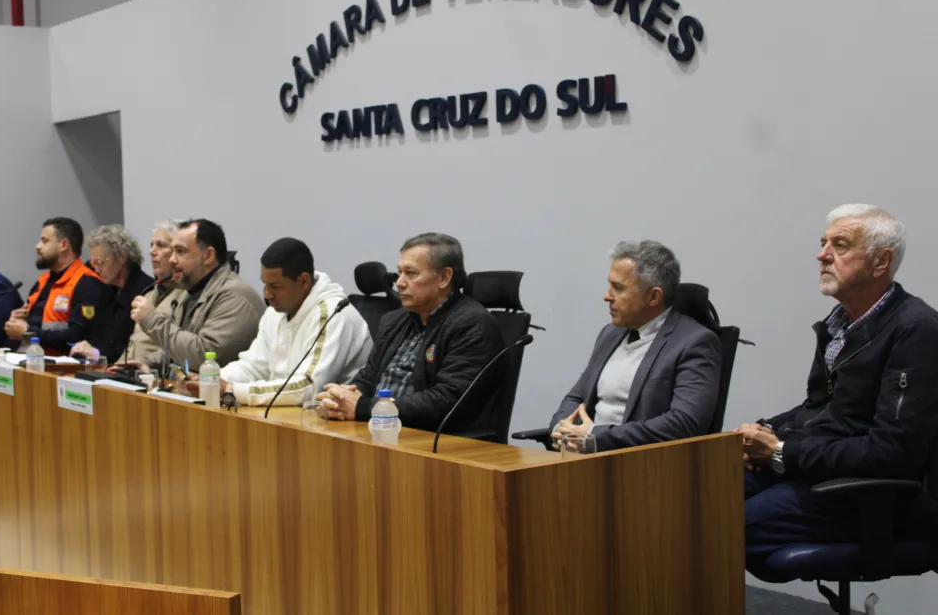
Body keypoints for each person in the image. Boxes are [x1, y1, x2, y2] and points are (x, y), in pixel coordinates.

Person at [738, 204, 938, 568]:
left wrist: (781, 452)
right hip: (813, 471)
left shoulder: (916, 330)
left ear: (881, 262)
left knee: (717, 527)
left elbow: (892, 453)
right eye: (823, 243)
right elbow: (820, 409)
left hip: (860, 496)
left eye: (840, 245)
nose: (822, 255)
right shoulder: (840, 325)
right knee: (690, 498)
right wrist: (764, 431)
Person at [317, 233, 505, 432]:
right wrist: (340, 400)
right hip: (381, 430)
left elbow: (446, 400)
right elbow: (367, 378)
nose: (399, 282)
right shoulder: (394, 321)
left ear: (444, 278)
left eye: (411, 273)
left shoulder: (473, 324)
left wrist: (364, 407)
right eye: (399, 272)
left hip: (434, 438)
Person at [548, 241, 722, 452]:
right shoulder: (610, 334)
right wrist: (561, 429)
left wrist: (595, 436)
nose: (606, 296)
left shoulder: (695, 343)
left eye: (618, 288)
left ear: (653, 296)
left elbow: (684, 423)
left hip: (643, 464)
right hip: (586, 459)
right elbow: (576, 397)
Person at [185, 238, 373, 405]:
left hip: (333, 421)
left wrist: (232, 390)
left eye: (275, 286)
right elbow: (253, 366)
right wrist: (210, 380)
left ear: (304, 281)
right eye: (265, 285)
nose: (267, 294)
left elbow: (308, 387)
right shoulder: (275, 312)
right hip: (289, 415)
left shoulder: (333, 314)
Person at [131, 218, 264, 371]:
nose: (172, 259)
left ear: (208, 255)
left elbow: (205, 356)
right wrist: (148, 362)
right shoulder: (195, 290)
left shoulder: (235, 296)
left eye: (180, 251)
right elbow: (180, 350)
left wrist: (152, 320)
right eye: (172, 251)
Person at [4, 217, 106, 354]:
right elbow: (31, 327)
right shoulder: (42, 283)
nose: (37, 246)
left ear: (64, 245)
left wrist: (27, 332)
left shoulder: (87, 283)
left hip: (63, 363)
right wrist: (17, 323)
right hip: (31, 358)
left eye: (44, 241)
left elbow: (78, 336)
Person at [68, 225, 154, 363]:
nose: (96, 270)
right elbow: (97, 335)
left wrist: (96, 353)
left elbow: (135, 347)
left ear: (122, 257)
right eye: (93, 263)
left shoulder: (146, 290)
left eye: (100, 262)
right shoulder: (106, 289)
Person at [114, 221, 187, 363]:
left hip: (155, 371)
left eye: (160, 245)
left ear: (177, 252)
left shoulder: (187, 296)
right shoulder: (149, 293)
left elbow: (179, 349)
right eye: (151, 245)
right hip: (132, 371)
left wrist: (142, 364)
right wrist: (117, 367)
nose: (152, 251)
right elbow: (133, 343)